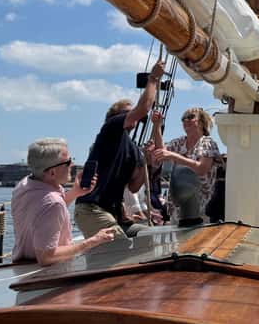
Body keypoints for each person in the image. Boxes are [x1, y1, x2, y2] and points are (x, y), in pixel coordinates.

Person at [75, 58, 164, 239]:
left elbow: (133, 186)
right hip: (92, 209)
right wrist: (153, 78)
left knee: (149, 238)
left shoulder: (133, 149)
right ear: (114, 117)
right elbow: (142, 109)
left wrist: (145, 162)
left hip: (114, 213)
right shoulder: (110, 128)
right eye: (126, 113)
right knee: (118, 249)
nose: (132, 116)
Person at [11, 138, 115, 266]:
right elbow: (46, 257)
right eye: (68, 162)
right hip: (49, 274)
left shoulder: (24, 185)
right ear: (52, 172)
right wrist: (93, 241)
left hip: (21, 266)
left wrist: (75, 192)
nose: (72, 165)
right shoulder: (53, 203)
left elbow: (44, 212)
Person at [151, 107, 223, 224]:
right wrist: (157, 126)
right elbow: (161, 152)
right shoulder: (179, 142)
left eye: (190, 117)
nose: (185, 120)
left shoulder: (207, 143)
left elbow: (201, 169)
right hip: (178, 210)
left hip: (201, 210)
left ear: (201, 122)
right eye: (183, 118)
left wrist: (173, 156)